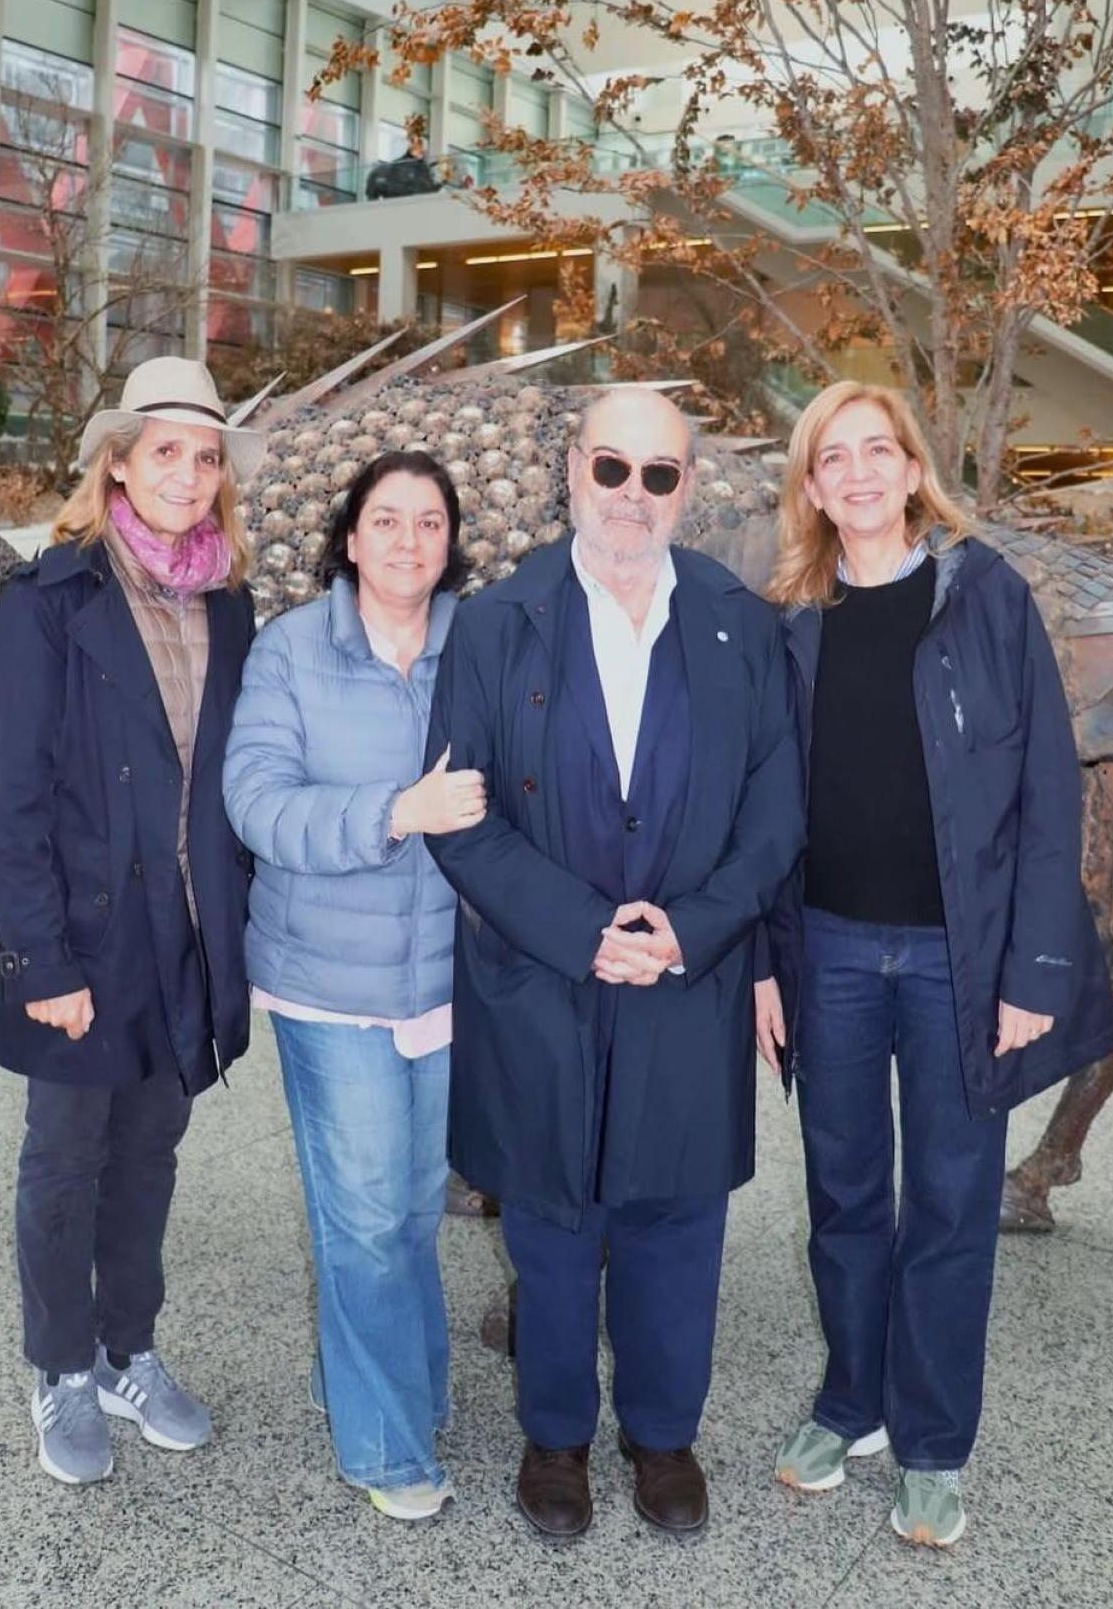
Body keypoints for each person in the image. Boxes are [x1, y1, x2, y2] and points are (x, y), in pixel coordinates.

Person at [424, 389, 804, 1539]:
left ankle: (662, 1435)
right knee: (546, 1222)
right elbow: (459, 813)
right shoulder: (497, 621)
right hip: (543, 976)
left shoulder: (744, 624)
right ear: (570, 473)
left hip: (689, 975)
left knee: (675, 1220)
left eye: (657, 474)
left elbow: (776, 812)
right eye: (610, 468)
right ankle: (554, 1439)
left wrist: (693, 928)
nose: (630, 495)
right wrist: (576, 928)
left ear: (687, 488)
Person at [759, 381, 1113, 1547]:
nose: (857, 472)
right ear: (810, 487)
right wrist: (766, 961)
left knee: (952, 1201)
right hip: (828, 951)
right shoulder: (793, 619)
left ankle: (931, 1440)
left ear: (913, 469)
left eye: (877, 450)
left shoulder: (984, 599)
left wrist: (1033, 967)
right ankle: (849, 1401)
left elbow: (1043, 793)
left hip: (957, 958)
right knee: (842, 1194)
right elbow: (765, 809)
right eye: (832, 457)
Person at [0, 356, 259, 1485]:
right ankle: (58, 1363)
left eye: (205, 455)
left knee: (148, 1152)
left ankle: (126, 1344)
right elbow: (15, 795)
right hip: (83, 940)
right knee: (65, 1157)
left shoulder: (229, 602)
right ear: (119, 465)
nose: (187, 473)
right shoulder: (50, 601)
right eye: (164, 451)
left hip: (184, 937)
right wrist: (41, 955)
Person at [223, 450, 485, 1522]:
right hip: (330, 987)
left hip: (446, 985)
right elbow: (256, 802)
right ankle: (383, 1445)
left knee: (414, 1207)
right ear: (348, 537)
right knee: (367, 1216)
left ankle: (406, 1385)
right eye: (386, 520)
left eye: (428, 523)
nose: (407, 542)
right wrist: (392, 811)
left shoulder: (478, 643)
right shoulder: (291, 649)